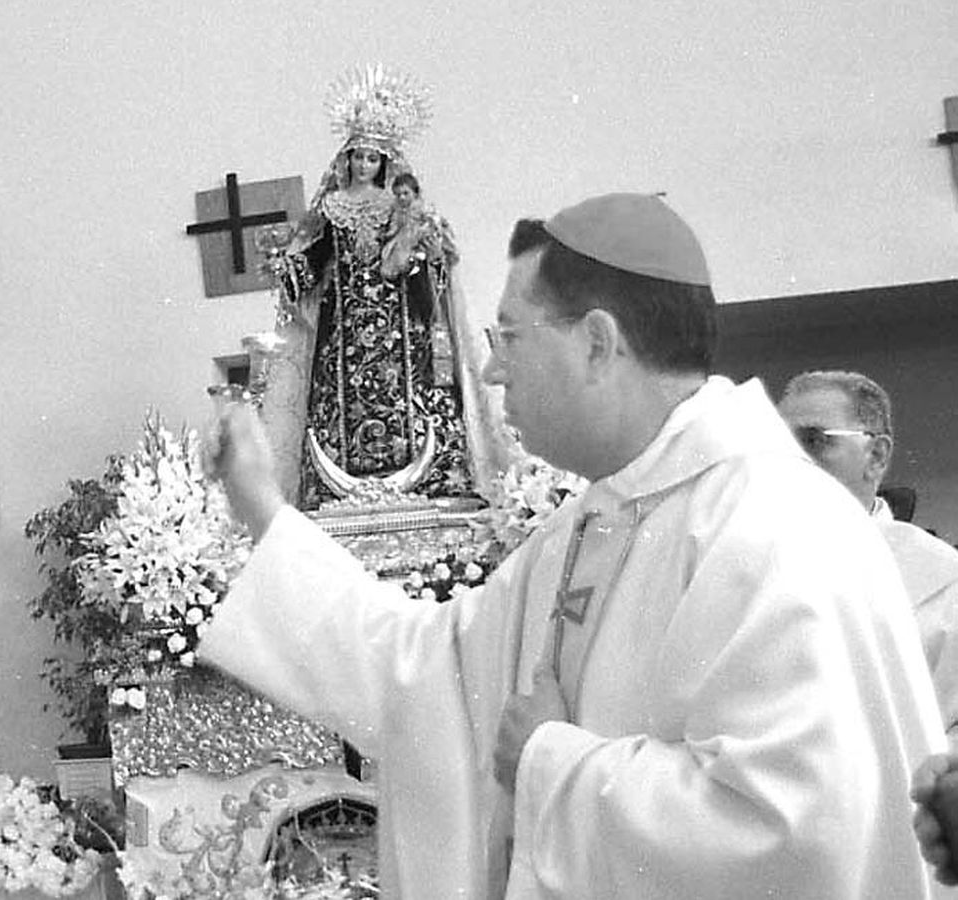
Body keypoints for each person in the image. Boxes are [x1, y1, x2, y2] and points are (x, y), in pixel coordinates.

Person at [202, 192, 943, 898]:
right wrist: (263, 509)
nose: (490, 369)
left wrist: (548, 760)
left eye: (509, 336)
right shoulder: (590, 524)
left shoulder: (774, 526)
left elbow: (793, 835)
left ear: (597, 342)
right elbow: (423, 673)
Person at [260, 66, 504, 507]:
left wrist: (431, 254)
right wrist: (287, 267)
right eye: (358, 157)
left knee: (415, 390)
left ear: (385, 165)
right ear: (346, 160)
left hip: (402, 325)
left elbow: (435, 264)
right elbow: (314, 262)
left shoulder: (403, 207)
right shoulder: (331, 210)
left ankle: (433, 478)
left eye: (373, 158)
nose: (365, 165)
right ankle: (338, 481)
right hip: (345, 330)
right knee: (338, 397)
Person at [779, 370, 958, 744]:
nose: (789, 458)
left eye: (813, 441)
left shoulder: (943, 583)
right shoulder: (731, 565)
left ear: (876, 456)